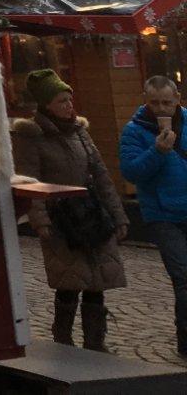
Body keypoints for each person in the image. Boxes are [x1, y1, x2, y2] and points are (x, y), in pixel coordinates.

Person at [11, 68, 127, 351]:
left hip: (92, 215)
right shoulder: (31, 137)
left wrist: (118, 215)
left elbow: (101, 176)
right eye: (62, 101)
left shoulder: (80, 133)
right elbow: (29, 181)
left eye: (69, 99)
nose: (69, 106)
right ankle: (63, 339)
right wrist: (40, 221)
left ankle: (95, 343)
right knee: (70, 281)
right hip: (61, 219)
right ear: (46, 104)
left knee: (97, 280)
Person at [120, 74, 187, 359]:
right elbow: (131, 171)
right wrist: (157, 152)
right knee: (184, 276)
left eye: (167, 102)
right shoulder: (135, 130)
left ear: (177, 100)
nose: (161, 108)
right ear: (145, 100)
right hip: (162, 214)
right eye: (154, 102)